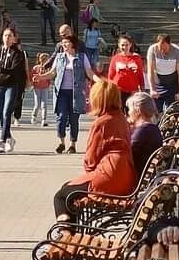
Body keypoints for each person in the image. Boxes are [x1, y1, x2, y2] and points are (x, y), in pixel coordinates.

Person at [52, 80, 136, 219]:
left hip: (108, 176)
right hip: (126, 176)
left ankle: (66, 232)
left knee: (61, 196)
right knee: (70, 189)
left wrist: (89, 176)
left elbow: (90, 160)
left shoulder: (101, 123)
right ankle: (69, 231)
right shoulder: (122, 119)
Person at [39, 33, 99, 154]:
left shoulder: (81, 57)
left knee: (74, 119)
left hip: (76, 93)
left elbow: (89, 72)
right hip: (61, 92)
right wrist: (40, 77)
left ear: (72, 44)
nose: (64, 44)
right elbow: (52, 73)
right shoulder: (60, 57)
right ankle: (61, 142)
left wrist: (99, 81)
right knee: (61, 117)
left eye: (66, 42)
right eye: (63, 42)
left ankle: (72, 144)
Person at [0, 28, 28, 154]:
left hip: (11, 85)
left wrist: (0, 70)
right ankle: (9, 137)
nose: (7, 38)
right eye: (5, 35)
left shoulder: (17, 53)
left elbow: (16, 70)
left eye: (10, 36)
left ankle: (2, 140)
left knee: (7, 112)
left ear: (14, 39)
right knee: (0, 114)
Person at [146, 32, 179, 115]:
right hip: (158, 82)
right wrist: (152, 89)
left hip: (172, 83)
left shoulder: (177, 51)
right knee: (156, 112)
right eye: (160, 48)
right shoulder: (152, 49)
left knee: (172, 113)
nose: (162, 51)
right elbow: (150, 71)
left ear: (169, 44)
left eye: (164, 48)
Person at [127, 92, 163, 181]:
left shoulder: (141, 132)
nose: (129, 112)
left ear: (138, 110)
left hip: (137, 178)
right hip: (150, 176)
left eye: (130, 109)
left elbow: (126, 154)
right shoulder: (154, 129)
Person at [108, 33, 147, 108]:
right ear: (119, 45)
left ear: (130, 45)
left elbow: (140, 75)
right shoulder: (115, 58)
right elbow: (110, 76)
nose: (124, 47)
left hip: (133, 91)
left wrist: (142, 89)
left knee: (132, 114)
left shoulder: (137, 58)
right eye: (122, 45)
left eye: (126, 45)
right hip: (118, 91)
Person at [30, 52, 52, 127]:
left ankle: (44, 119)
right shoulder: (36, 68)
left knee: (44, 104)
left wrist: (49, 84)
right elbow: (32, 77)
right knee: (37, 104)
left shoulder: (48, 68)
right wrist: (33, 83)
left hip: (45, 87)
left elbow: (49, 77)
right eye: (45, 60)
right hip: (37, 88)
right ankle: (34, 116)